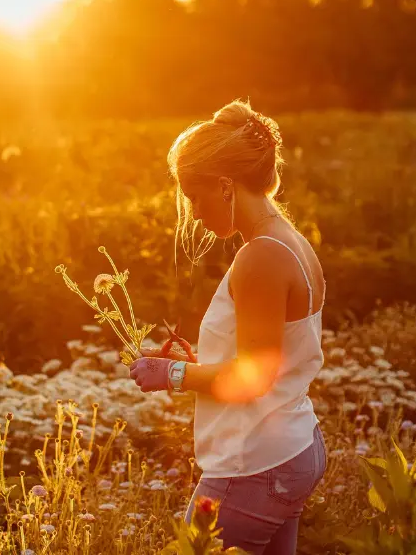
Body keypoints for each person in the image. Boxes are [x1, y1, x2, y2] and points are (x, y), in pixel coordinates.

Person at [128, 99, 327, 555]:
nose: (194, 213)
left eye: (194, 198)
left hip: (255, 462)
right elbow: (271, 354)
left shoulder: (260, 256)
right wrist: (199, 364)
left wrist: (171, 375)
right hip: (293, 446)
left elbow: (254, 378)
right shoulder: (289, 241)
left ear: (224, 186)